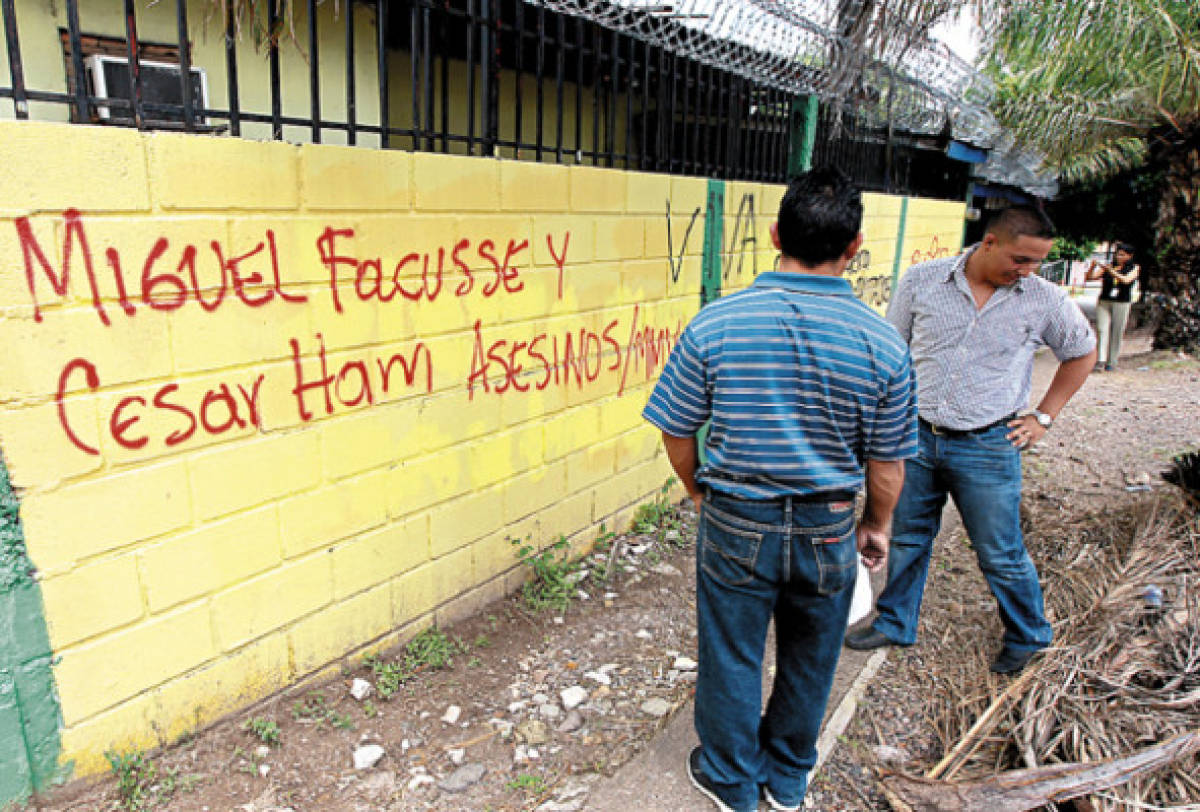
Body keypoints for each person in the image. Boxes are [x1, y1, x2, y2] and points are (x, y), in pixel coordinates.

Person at [642, 167, 916, 812]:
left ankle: (732, 781)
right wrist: (876, 526)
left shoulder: (717, 325)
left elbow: (677, 430)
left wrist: (696, 489)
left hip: (738, 516)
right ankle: (788, 778)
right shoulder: (883, 344)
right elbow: (887, 462)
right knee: (813, 653)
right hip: (827, 525)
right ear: (854, 248)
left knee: (731, 653)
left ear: (773, 235)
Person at [845, 206, 1097, 675]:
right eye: (1021, 259)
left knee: (999, 550)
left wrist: (1044, 415)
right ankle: (896, 622)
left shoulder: (1043, 299)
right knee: (909, 538)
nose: (1028, 271)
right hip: (915, 437)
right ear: (989, 243)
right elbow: (894, 352)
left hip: (988, 444)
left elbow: (1081, 353)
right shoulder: (923, 280)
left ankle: (1028, 634)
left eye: (1036, 262)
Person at [1086, 242, 1140, 371]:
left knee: (1117, 331)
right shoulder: (1110, 266)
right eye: (1118, 254)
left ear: (1129, 256)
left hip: (1122, 302)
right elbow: (1090, 277)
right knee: (1102, 329)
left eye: (1122, 255)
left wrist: (1111, 272)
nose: (1119, 257)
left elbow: (1126, 280)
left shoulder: (1134, 268)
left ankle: (1112, 361)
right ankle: (1100, 360)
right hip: (1105, 301)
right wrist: (1092, 267)